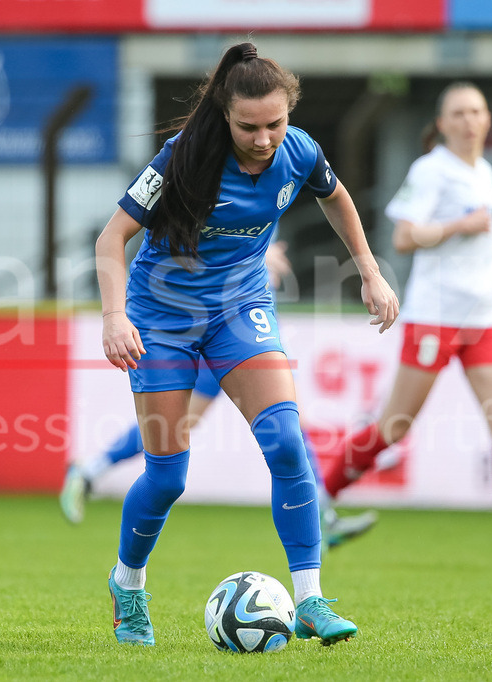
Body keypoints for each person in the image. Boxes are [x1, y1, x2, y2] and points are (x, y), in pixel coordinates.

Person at [94, 42, 399, 647]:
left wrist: (369, 268)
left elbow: (335, 195)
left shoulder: (300, 150)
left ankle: (310, 599)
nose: (264, 140)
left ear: (290, 114)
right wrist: (114, 316)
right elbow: (111, 238)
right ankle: (128, 585)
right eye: (249, 127)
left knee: (287, 441)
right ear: (224, 117)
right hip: (163, 319)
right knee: (167, 477)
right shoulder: (183, 158)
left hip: (241, 309)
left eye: (276, 124)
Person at [320, 82, 492, 572]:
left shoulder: (483, 171)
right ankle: (317, 501)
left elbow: (469, 233)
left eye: (477, 111)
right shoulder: (431, 169)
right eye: (458, 112)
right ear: (441, 123)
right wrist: (460, 229)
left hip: (487, 317)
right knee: (394, 426)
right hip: (435, 317)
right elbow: (403, 236)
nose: (469, 120)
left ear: (486, 119)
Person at [61, 242, 379, 550]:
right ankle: (89, 471)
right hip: (222, 324)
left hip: (252, 318)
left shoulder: (279, 187)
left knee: (290, 422)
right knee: (176, 428)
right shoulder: (219, 191)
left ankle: (322, 515)